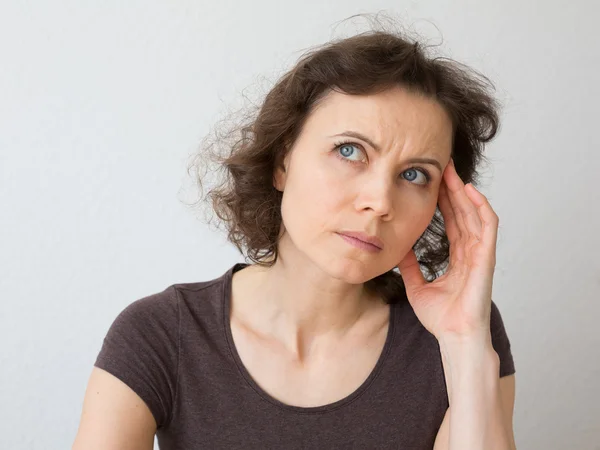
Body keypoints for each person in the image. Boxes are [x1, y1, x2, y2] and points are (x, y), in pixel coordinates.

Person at [73, 24, 516, 450]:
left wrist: (465, 345)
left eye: (415, 174)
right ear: (282, 161)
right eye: (349, 151)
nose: (380, 201)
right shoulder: (161, 333)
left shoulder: (461, 335)